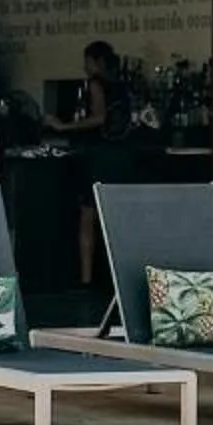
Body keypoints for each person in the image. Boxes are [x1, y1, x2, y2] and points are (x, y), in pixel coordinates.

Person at [50, 40, 142, 287]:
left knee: (87, 217)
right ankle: (122, 274)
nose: (85, 66)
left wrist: (63, 126)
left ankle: (86, 277)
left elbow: (98, 117)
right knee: (118, 216)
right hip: (123, 155)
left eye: (87, 61)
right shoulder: (123, 86)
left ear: (97, 62)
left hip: (100, 155)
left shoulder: (95, 84)